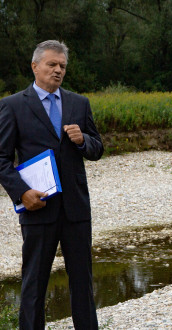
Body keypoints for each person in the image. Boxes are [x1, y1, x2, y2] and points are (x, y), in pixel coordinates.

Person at [0, 40, 103, 329]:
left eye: (62, 66)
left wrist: (84, 140)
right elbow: (1, 158)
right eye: (52, 65)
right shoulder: (12, 106)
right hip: (37, 208)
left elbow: (98, 148)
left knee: (82, 283)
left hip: (76, 210)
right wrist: (21, 193)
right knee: (34, 284)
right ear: (35, 67)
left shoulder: (79, 103)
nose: (58, 71)